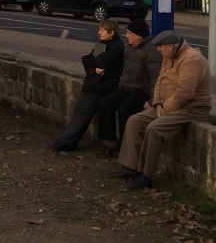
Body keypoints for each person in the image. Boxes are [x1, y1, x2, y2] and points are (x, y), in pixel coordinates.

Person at [116, 31, 212, 191]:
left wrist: (166, 108)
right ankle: (130, 167)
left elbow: (184, 93)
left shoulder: (191, 60)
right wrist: (157, 103)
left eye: (161, 47)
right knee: (134, 121)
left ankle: (146, 176)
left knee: (154, 129)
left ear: (170, 46)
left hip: (191, 108)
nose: (159, 50)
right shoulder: (169, 56)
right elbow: (159, 81)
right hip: (165, 105)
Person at [50, 19, 125, 152]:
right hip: (91, 83)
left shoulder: (117, 47)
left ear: (111, 32)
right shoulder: (101, 45)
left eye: (102, 30)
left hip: (102, 87)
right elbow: (88, 60)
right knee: (77, 112)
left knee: (84, 115)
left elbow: (100, 61)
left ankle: (68, 143)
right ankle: (64, 139)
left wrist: (90, 61)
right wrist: (93, 69)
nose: (98, 33)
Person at [96, 18, 162, 156]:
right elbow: (125, 69)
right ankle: (109, 143)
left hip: (141, 90)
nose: (127, 36)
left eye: (130, 33)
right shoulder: (129, 48)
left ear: (139, 35)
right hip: (126, 87)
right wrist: (121, 85)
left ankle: (127, 147)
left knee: (125, 109)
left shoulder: (152, 50)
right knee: (104, 104)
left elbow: (156, 78)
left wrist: (152, 101)